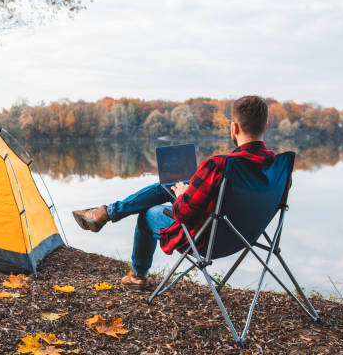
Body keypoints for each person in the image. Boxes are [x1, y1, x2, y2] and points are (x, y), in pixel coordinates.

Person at [72, 95, 276, 289]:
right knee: (173, 183)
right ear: (265, 127)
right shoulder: (278, 167)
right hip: (245, 237)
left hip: (208, 240)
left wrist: (181, 196)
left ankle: (137, 272)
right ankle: (107, 212)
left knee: (149, 212)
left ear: (235, 127)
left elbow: (182, 214)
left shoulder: (219, 165)